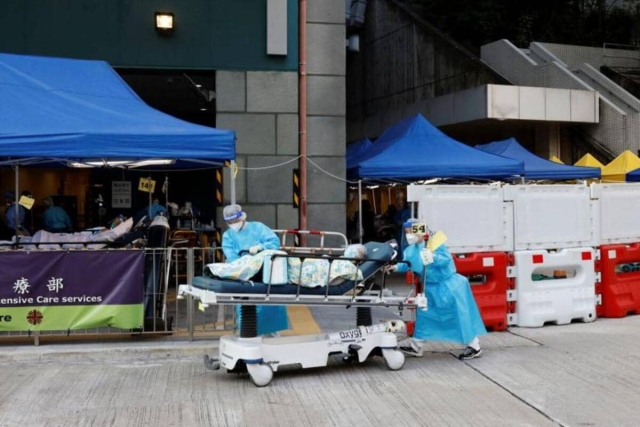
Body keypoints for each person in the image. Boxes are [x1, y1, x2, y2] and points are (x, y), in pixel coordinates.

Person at [387, 219, 487, 360]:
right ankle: (416, 346)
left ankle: (474, 346)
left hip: (448, 285)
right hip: (430, 287)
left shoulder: (433, 243)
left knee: (458, 316)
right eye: (406, 232)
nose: (409, 235)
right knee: (425, 317)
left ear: (419, 231)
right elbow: (408, 264)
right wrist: (395, 267)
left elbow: (446, 260)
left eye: (411, 232)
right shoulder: (410, 250)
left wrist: (433, 256)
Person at [221, 204, 289, 335]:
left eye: (235, 221)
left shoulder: (257, 228)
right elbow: (231, 256)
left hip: (265, 271)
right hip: (244, 274)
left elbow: (274, 242)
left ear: (242, 218)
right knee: (247, 308)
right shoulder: (228, 236)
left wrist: (260, 247)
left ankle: (273, 332)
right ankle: (249, 332)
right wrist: (244, 264)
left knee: (269, 302)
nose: (233, 224)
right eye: (230, 222)